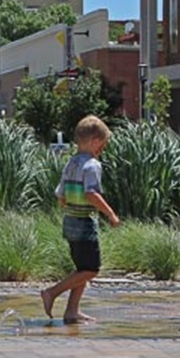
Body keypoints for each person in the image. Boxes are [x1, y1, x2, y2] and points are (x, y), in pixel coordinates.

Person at [41, 115, 120, 323]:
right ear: (95, 142)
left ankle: (72, 310)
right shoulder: (92, 165)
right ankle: (52, 292)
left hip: (69, 222)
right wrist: (110, 213)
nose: (102, 149)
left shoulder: (71, 163)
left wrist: (69, 205)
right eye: (102, 145)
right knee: (91, 269)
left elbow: (60, 195)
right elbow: (91, 194)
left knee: (81, 269)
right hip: (84, 223)